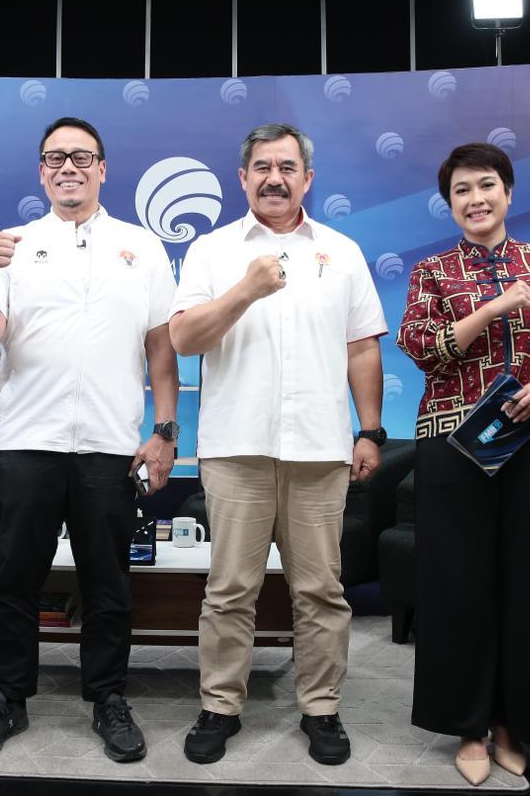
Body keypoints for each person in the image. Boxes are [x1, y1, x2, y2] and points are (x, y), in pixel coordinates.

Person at [0, 117, 179, 763]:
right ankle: (8, 697)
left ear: (103, 169)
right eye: (55, 158)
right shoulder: (13, 245)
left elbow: (160, 347)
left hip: (110, 443)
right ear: (41, 172)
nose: (68, 168)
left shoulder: (141, 246)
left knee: (108, 582)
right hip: (28, 438)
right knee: (14, 579)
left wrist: (164, 431)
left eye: (82, 157)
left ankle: (107, 697)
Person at [168, 122, 388, 766]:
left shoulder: (342, 251)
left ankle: (321, 708)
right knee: (229, 590)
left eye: (287, 167)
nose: (274, 178)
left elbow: (362, 346)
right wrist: (246, 289)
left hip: (319, 449)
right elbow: (183, 338)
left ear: (307, 179)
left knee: (320, 590)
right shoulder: (212, 251)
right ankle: (220, 705)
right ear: (242, 179)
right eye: (262, 167)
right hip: (235, 447)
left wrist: (370, 429)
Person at [396, 142, 530, 786]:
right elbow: (421, 347)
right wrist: (491, 309)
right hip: (454, 442)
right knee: (457, 583)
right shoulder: (432, 272)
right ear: (449, 203)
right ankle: (468, 726)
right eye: (461, 190)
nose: (476, 199)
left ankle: (514, 724)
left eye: (486, 185)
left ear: (509, 193)